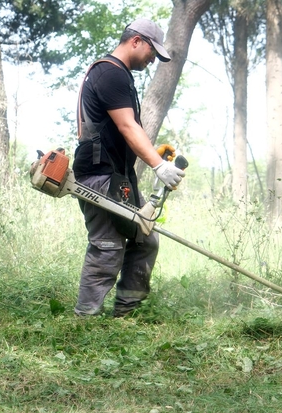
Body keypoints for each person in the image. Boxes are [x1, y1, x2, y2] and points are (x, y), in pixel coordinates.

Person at [72, 19, 185, 317]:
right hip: (100, 176)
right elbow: (126, 126)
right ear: (136, 41)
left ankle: (126, 313)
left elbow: (123, 129)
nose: (153, 59)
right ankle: (84, 319)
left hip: (116, 177)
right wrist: (158, 165)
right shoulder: (110, 73)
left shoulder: (117, 74)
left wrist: (152, 151)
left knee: (144, 238)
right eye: (152, 51)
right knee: (107, 248)